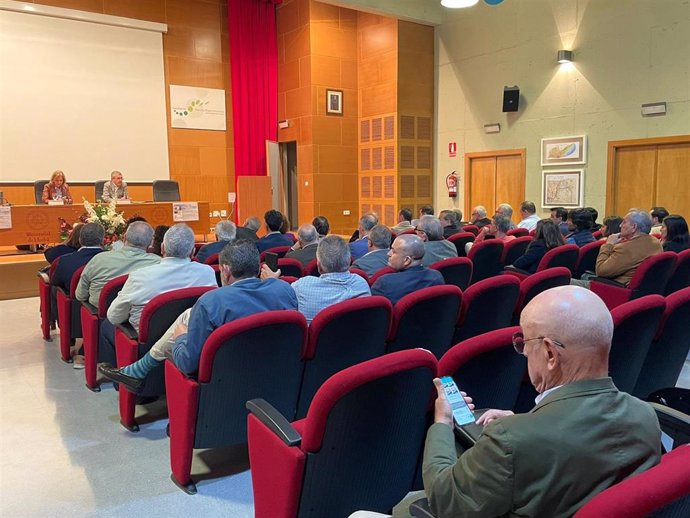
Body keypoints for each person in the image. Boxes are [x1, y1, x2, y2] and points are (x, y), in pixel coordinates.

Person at [351, 286, 661, 518]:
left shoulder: (511, 441)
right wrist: (523, 419)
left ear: (551, 354)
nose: (524, 353)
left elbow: (445, 502)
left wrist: (442, 423)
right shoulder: (646, 416)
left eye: (525, 343)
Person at [98, 240, 298, 390]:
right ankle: (140, 368)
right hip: (276, 373)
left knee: (184, 324)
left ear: (226, 270)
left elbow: (187, 363)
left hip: (225, 379)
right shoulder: (285, 290)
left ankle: (140, 369)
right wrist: (274, 282)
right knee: (188, 314)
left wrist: (181, 337)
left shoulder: (211, 301)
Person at [103, 225, 217, 365]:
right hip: (192, 340)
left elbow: (114, 317)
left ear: (162, 248)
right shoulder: (208, 273)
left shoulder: (140, 277)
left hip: (146, 342)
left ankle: (119, 377)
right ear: (193, 251)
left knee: (106, 325)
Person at [262, 235, 370, 323]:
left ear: (319, 265)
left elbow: (279, 307)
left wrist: (271, 282)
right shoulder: (362, 285)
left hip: (317, 349)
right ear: (348, 261)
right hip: (359, 346)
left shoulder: (302, 286)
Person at [76, 221, 160, 308]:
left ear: (124, 237)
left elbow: (80, 295)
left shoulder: (99, 259)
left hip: (98, 315)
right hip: (139, 315)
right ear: (151, 243)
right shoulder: (159, 263)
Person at [590, 209, 662, 286]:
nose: (620, 225)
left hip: (614, 288)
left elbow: (601, 271)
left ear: (634, 227)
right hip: (643, 290)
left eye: (624, 222)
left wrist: (608, 244)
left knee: (576, 283)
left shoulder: (626, 248)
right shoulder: (656, 242)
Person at [371, 234, 443, 304]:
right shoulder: (436, 277)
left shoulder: (385, 283)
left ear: (407, 260)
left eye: (393, 251)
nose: (388, 254)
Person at [50, 223, 105, 293]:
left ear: (79, 240)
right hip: (108, 301)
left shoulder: (65, 261)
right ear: (102, 240)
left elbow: (55, 282)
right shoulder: (113, 260)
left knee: (54, 289)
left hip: (75, 302)